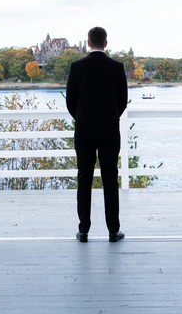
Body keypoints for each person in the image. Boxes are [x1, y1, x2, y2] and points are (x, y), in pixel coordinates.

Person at [66, 26, 128, 243]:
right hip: (110, 130)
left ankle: (83, 230)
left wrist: (83, 118)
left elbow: (70, 102)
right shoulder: (117, 67)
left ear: (88, 43)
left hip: (84, 130)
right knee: (110, 178)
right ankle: (113, 230)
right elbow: (122, 101)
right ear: (106, 43)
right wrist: (110, 117)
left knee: (84, 177)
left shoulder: (76, 67)